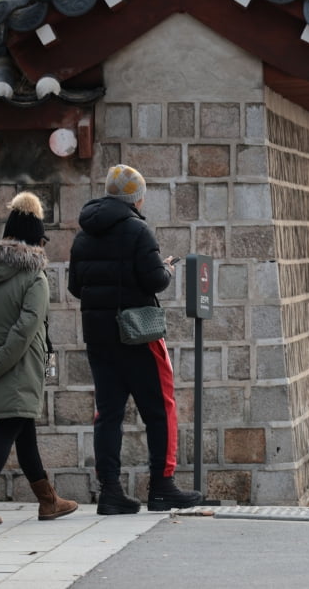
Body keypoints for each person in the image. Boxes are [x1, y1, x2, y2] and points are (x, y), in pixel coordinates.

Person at [68, 165, 202, 514]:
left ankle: (110, 491)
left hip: (98, 336)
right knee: (160, 408)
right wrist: (168, 269)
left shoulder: (83, 235)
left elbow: (73, 287)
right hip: (137, 333)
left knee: (108, 413)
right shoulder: (137, 230)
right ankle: (162, 486)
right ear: (136, 197)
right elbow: (155, 280)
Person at [0, 192, 78, 525]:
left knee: (24, 434)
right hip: (20, 369)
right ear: (37, 241)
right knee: (7, 431)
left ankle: (48, 501)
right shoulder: (35, 277)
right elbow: (26, 330)